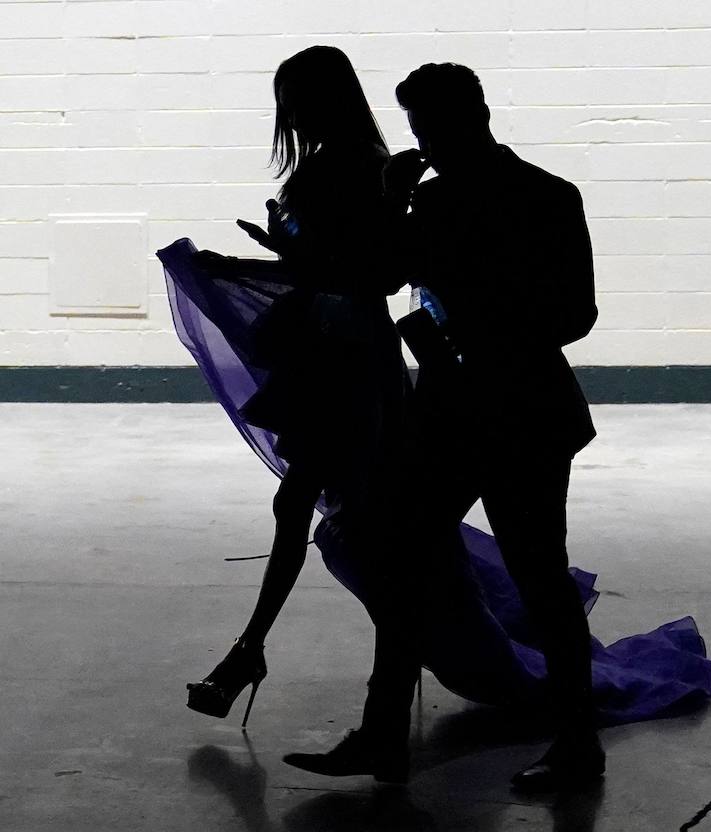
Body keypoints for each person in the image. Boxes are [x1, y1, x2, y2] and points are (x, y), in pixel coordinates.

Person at [283, 62, 608, 792]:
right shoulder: (537, 196)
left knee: (511, 572)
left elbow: (571, 314)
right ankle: (554, 741)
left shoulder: (476, 201)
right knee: (486, 569)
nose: (426, 139)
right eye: (419, 127)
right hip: (503, 407)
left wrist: (473, 321)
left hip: (484, 407)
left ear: (476, 113)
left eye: (431, 124)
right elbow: (386, 275)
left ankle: (398, 737)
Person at [183, 45, 408, 727]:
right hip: (336, 349)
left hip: (345, 355)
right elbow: (342, 269)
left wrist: (280, 253)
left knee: (328, 507)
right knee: (327, 506)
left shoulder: (361, 169)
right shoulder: (361, 166)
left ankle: (261, 652)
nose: (288, 115)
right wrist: (276, 253)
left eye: (294, 100)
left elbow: (367, 273)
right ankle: (261, 650)